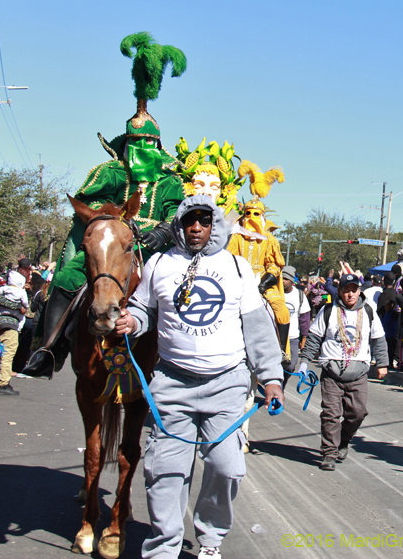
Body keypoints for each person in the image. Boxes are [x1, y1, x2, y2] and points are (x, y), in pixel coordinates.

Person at [114, 195, 284, 558]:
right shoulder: (160, 264)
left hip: (226, 385)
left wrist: (271, 379)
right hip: (172, 385)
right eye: (190, 220)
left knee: (227, 467)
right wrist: (131, 321)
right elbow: (144, 309)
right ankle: (163, 547)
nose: (196, 228)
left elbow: (258, 330)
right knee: (165, 472)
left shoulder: (237, 267)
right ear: (180, 224)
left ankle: (210, 540)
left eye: (204, 221)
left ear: (214, 226)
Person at [25, 34, 188, 379]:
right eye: (134, 141)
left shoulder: (171, 180)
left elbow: (177, 213)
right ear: (125, 142)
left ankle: (182, 356)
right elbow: (86, 203)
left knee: (177, 289)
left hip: (153, 249)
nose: (140, 147)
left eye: (146, 142)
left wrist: (163, 228)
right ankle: (50, 348)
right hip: (111, 242)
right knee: (69, 274)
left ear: (157, 144)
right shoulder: (111, 171)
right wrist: (110, 219)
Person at [299, 273, 388, 471]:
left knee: (358, 413)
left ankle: (343, 441)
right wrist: (304, 362)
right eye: (346, 291)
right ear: (339, 292)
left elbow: (379, 339)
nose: (350, 295)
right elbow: (314, 337)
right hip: (332, 372)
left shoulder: (368, 311)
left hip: (359, 372)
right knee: (331, 414)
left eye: (353, 290)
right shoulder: (328, 310)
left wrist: (382, 363)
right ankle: (329, 453)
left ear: (359, 291)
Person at [226, 161, 289, 353]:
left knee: (281, 310)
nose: (251, 216)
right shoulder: (235, 237)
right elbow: (229, 259)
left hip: (262, 282)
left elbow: (274, 264)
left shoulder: (269, 239)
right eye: (248, 213)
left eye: (256, 213)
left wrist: (264, 282)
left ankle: (281, 350)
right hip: (238, 282)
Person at [0, 271, 29, 396]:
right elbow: (25, 307)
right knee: (7, 355)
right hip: (12, 326)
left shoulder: (2, 291)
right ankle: (3, 384)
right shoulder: (21, 293)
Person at [281, 266, 311, 391]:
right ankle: (275, 388)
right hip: (275, 336)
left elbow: (304, 318)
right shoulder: (275, 293)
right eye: (281, 278)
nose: (283, 281)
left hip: (292, 337)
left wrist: (304, 337)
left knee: (290, 366)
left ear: (292, 281)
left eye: (286, 279)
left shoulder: (299, 296)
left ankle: (281, 385)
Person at [376, 274, 400, 370]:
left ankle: (384, 362)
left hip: (385, 325)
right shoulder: (396, 293)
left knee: (384, 346)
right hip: (394, 326)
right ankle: (391, 361)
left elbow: (379, 310)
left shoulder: (384, 295)